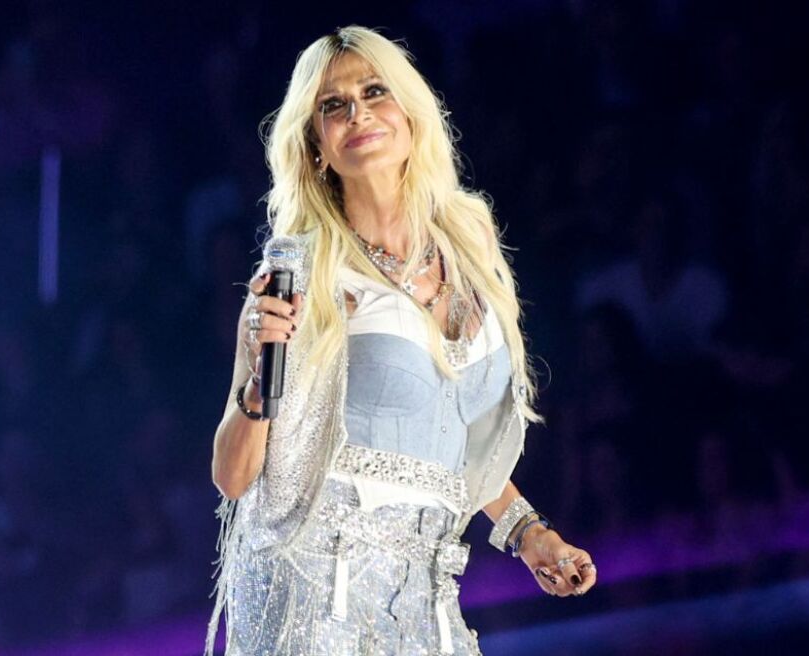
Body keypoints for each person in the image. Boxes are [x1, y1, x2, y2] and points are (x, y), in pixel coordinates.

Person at [208, 26, 597, 655]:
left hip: (426, 601)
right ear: (315, 147)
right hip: (318, 595)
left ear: (412, 116)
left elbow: (453, 440)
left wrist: (531, 535)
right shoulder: (301, 272)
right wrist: (258, 384)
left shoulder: (468, 249)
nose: (357, 113)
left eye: (374, 91)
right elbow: (232, 476)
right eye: (333, 105)